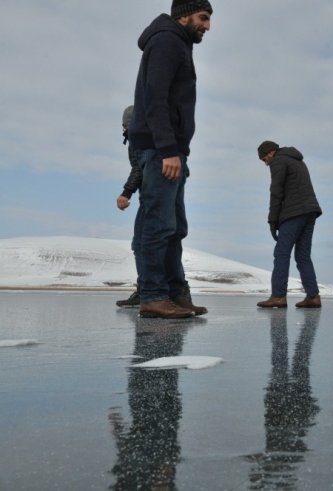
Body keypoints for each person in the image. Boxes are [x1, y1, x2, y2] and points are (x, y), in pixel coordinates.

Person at [127, 0, 212, 318]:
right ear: (185, 15)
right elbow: (155, 95)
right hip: (161, 149)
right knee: (159, 224)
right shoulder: (166, 40)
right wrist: (167, 149)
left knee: (175, 227)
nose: (208, 26)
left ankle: (176, 293)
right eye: (203, 17)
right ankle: (153, 295)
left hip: (173, 150)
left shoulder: (179, 43)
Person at [255, 141, 323, 309]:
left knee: (281, 253)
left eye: (265, 159)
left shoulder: (278, 161)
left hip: (294, 213)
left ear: (271, 152)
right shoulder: (297, 160)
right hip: (310, 212)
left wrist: (272, 220)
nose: (265, 163)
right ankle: (313, 296)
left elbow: (276, 191)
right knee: (303, 256)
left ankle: (278, 296)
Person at [115, 105, 143, 308]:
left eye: (125, 124)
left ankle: (147, 291)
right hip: (155, 195)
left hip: (152, 197)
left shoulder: (138, 139)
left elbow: (139, 167)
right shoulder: (151, 136)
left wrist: (126, 192)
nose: (123, 128)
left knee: (141, 244)